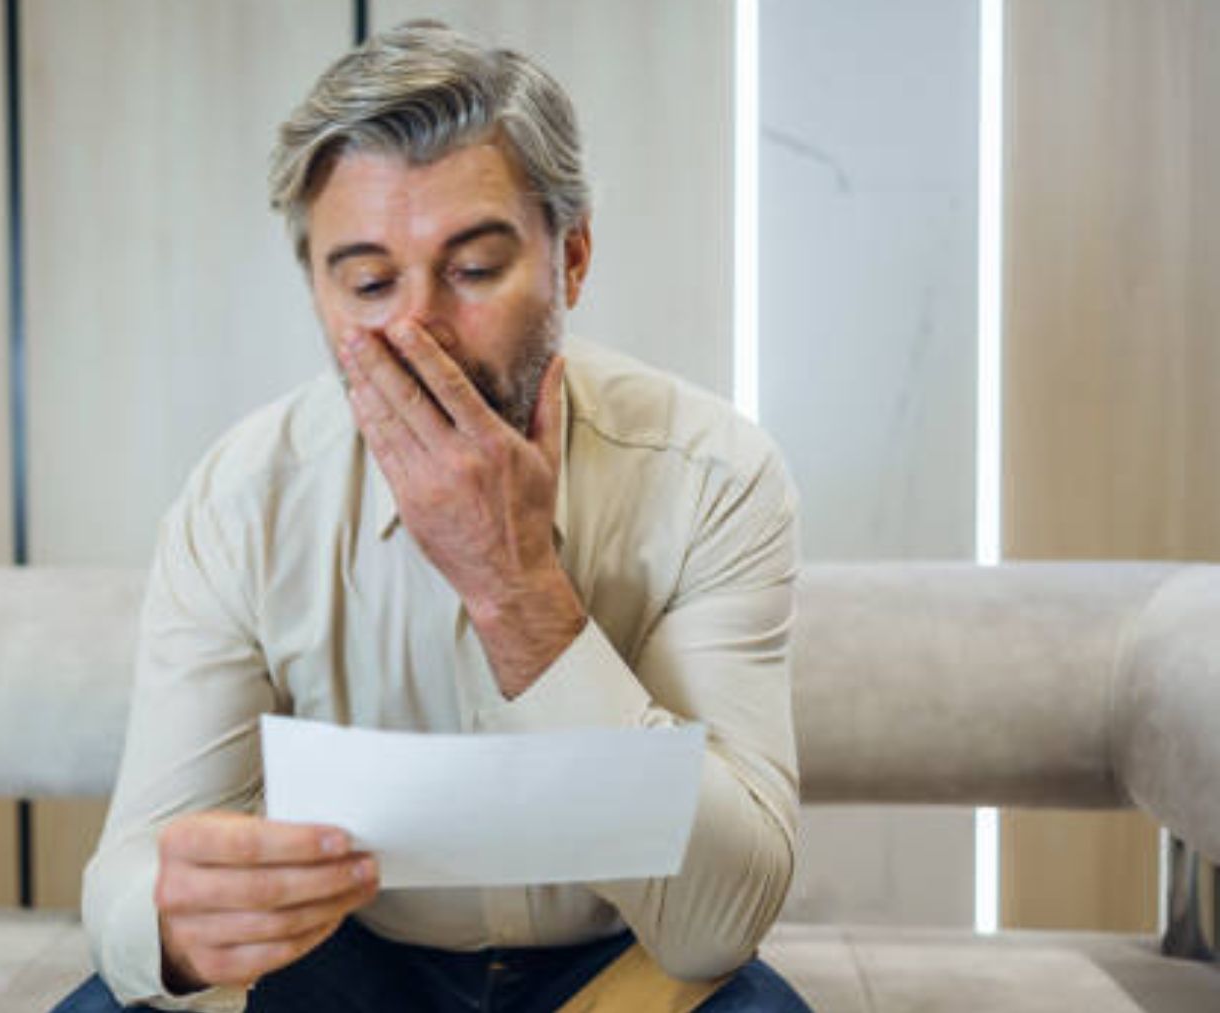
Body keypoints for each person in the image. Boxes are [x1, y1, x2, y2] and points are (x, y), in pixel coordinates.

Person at [57, 20, 810, 1013]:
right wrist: (175, 922)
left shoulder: (713, 472)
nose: (417, 332)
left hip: (620, 966)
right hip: (343, 963)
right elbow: (128, 871)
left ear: (571, 258)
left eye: (473, 269)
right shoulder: (242, 498)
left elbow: (717, 921)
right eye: (369, 282)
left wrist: (517, 588)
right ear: (320, 292)